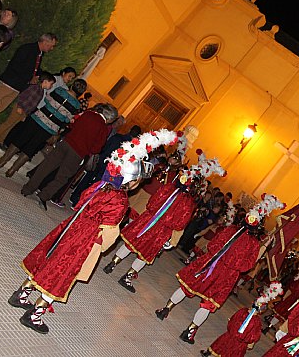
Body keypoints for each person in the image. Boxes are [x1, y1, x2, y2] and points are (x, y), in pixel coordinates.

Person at [7, 129, 178, 334]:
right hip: (85, 239)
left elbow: (80, 202)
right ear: (131, 181)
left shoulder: (102, 185)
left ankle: (21, 295)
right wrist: (100, 246)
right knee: (61, 273)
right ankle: (34, 315)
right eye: (137, 182)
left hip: (71, 227)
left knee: (49, 260)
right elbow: (109, 232)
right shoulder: (119, 200)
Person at [155, 194, 285, 345]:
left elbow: (213, 245)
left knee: (188, 287)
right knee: (208, 303)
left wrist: (221, 257)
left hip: (211, 264)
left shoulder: (232, 230)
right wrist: (233, 264)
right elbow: (247, 265)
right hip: (226, 275)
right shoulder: (253, 244)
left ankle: (166, 309)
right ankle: (189, 331)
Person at [103, 147, 227, 294]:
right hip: (161, 231)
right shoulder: (188, 203)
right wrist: (172, 239)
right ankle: (127, 277)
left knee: (132, 243)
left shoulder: (169, 188)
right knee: (145, 255)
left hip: (149, 220)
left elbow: (152, 202)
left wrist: (151, 214)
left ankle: (112, 263)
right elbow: (180, 223)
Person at [20, 102, 118, 211]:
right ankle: (44, 195)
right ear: (110, 119)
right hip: (77, 154)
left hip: (66, 143)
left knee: (46, 167)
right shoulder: (103, 129)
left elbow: (73, 125)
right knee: (62, 177)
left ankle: (27, 189)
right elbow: (96, 149)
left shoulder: (88, 114)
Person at [0, 33, 57, 138]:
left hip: (18, 86)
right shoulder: (28, 49)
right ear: (45, 42)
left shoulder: (39, 54)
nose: (52, 48)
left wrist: (38, 76)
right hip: (9, 82)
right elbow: (16, 65)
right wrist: (29, 78)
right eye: (52, 45)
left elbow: (34, 69)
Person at [0, 79, 86, 178]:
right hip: (50, 128)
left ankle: (2, 161)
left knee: (20, 139)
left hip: (38, 118)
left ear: (72, 85)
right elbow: (67, 119)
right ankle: (12, 170)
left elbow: (47, 99)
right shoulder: (76, 105)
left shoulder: (60, 90)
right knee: (31, 148)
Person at [200, 282, 284, 357]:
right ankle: (209, 353)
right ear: (261, 311)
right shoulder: (257, 322)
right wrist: (250, 344)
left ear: (253, 304)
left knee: (220, 344)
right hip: (240, 343)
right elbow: (253, 336)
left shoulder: (243, 311)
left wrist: (231, 327)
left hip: (230, 335)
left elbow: (233, 319)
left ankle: (207, 353)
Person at [68, 124, 142, 208]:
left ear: (130, 129)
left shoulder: (117, 137)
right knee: (94, 185)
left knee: (87, 178)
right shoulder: (130, 147)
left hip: (101, 160)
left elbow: (105, 146)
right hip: (109, 168)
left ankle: (74, 196)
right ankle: (79, 202)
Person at [0, 71, 56, 150]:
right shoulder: (34, 87)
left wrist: (26, 114)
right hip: (20, 108)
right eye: (51, 83)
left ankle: (0, 140)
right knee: (8, 123)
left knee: (11, 126)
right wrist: (19, 106)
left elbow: (33, 104)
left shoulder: (41, 91)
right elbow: (23, 95)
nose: (51, 86)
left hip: (24, 112)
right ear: (45, 81)